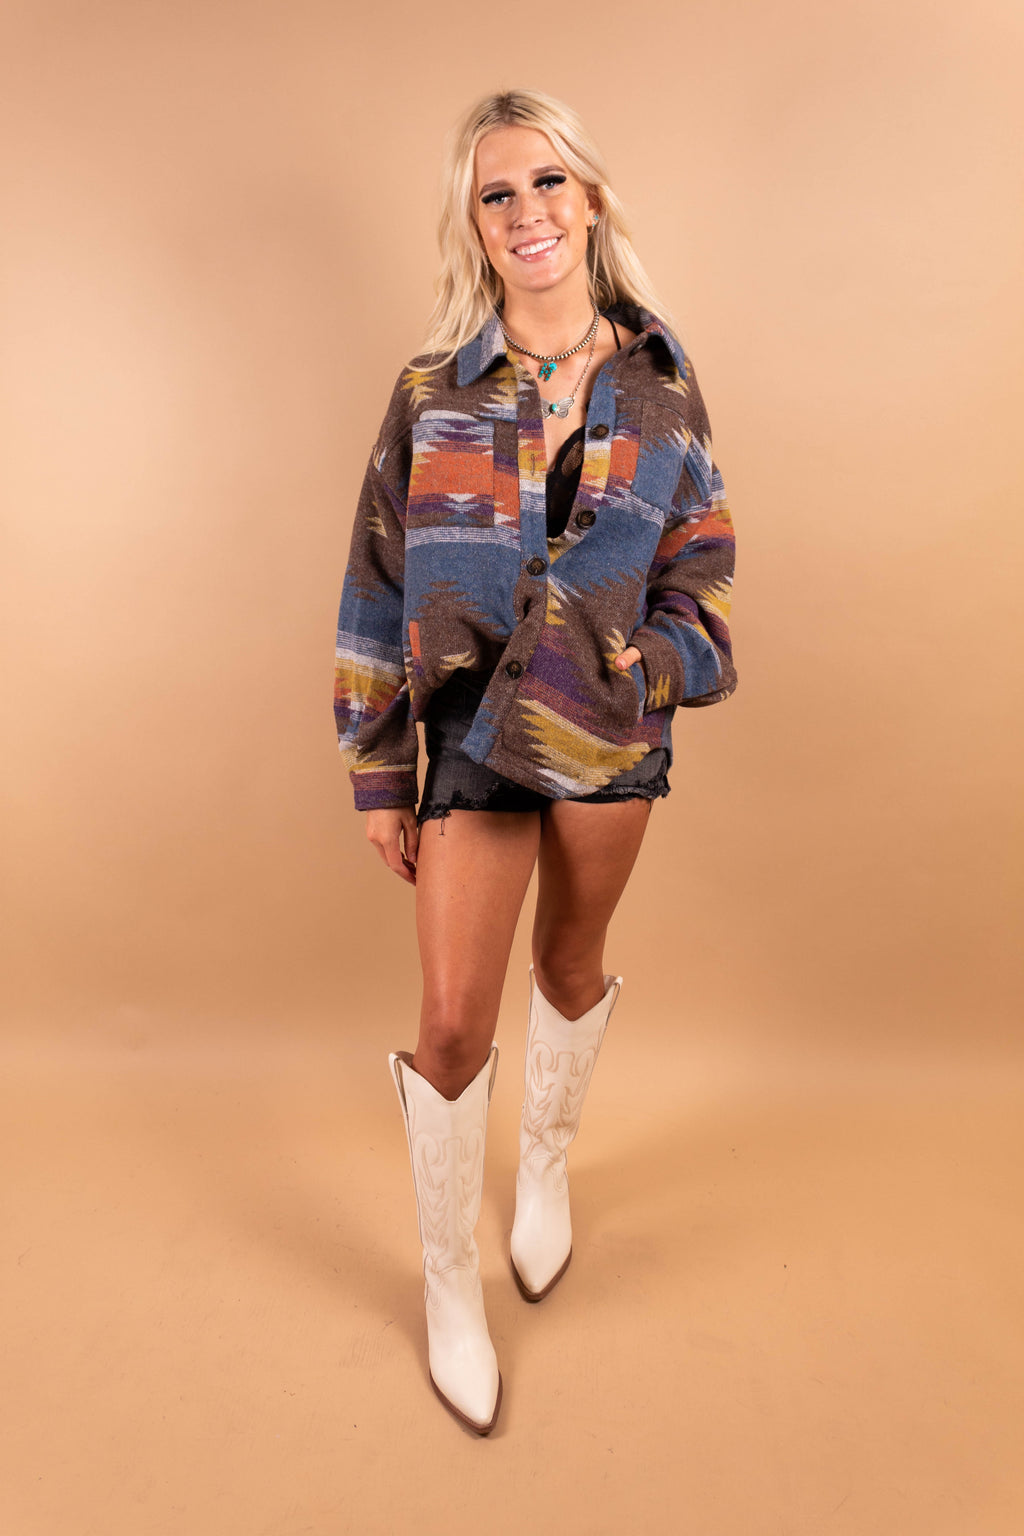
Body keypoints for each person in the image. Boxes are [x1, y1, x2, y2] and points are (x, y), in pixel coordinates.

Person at [333, 88, 736, 1435]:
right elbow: (373, 584)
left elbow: (703, 574)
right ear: (475, 224)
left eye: (548, 182)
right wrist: (379, 771)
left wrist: (651, 668)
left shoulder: (661, 382)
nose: (527, 212)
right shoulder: (432, 394)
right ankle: (451, 1284)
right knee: (452, 1022)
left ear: (592, 198)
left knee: (568, 964)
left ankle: (547, 1165)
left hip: (607, 728)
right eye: (497, 194)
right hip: (468, 731)